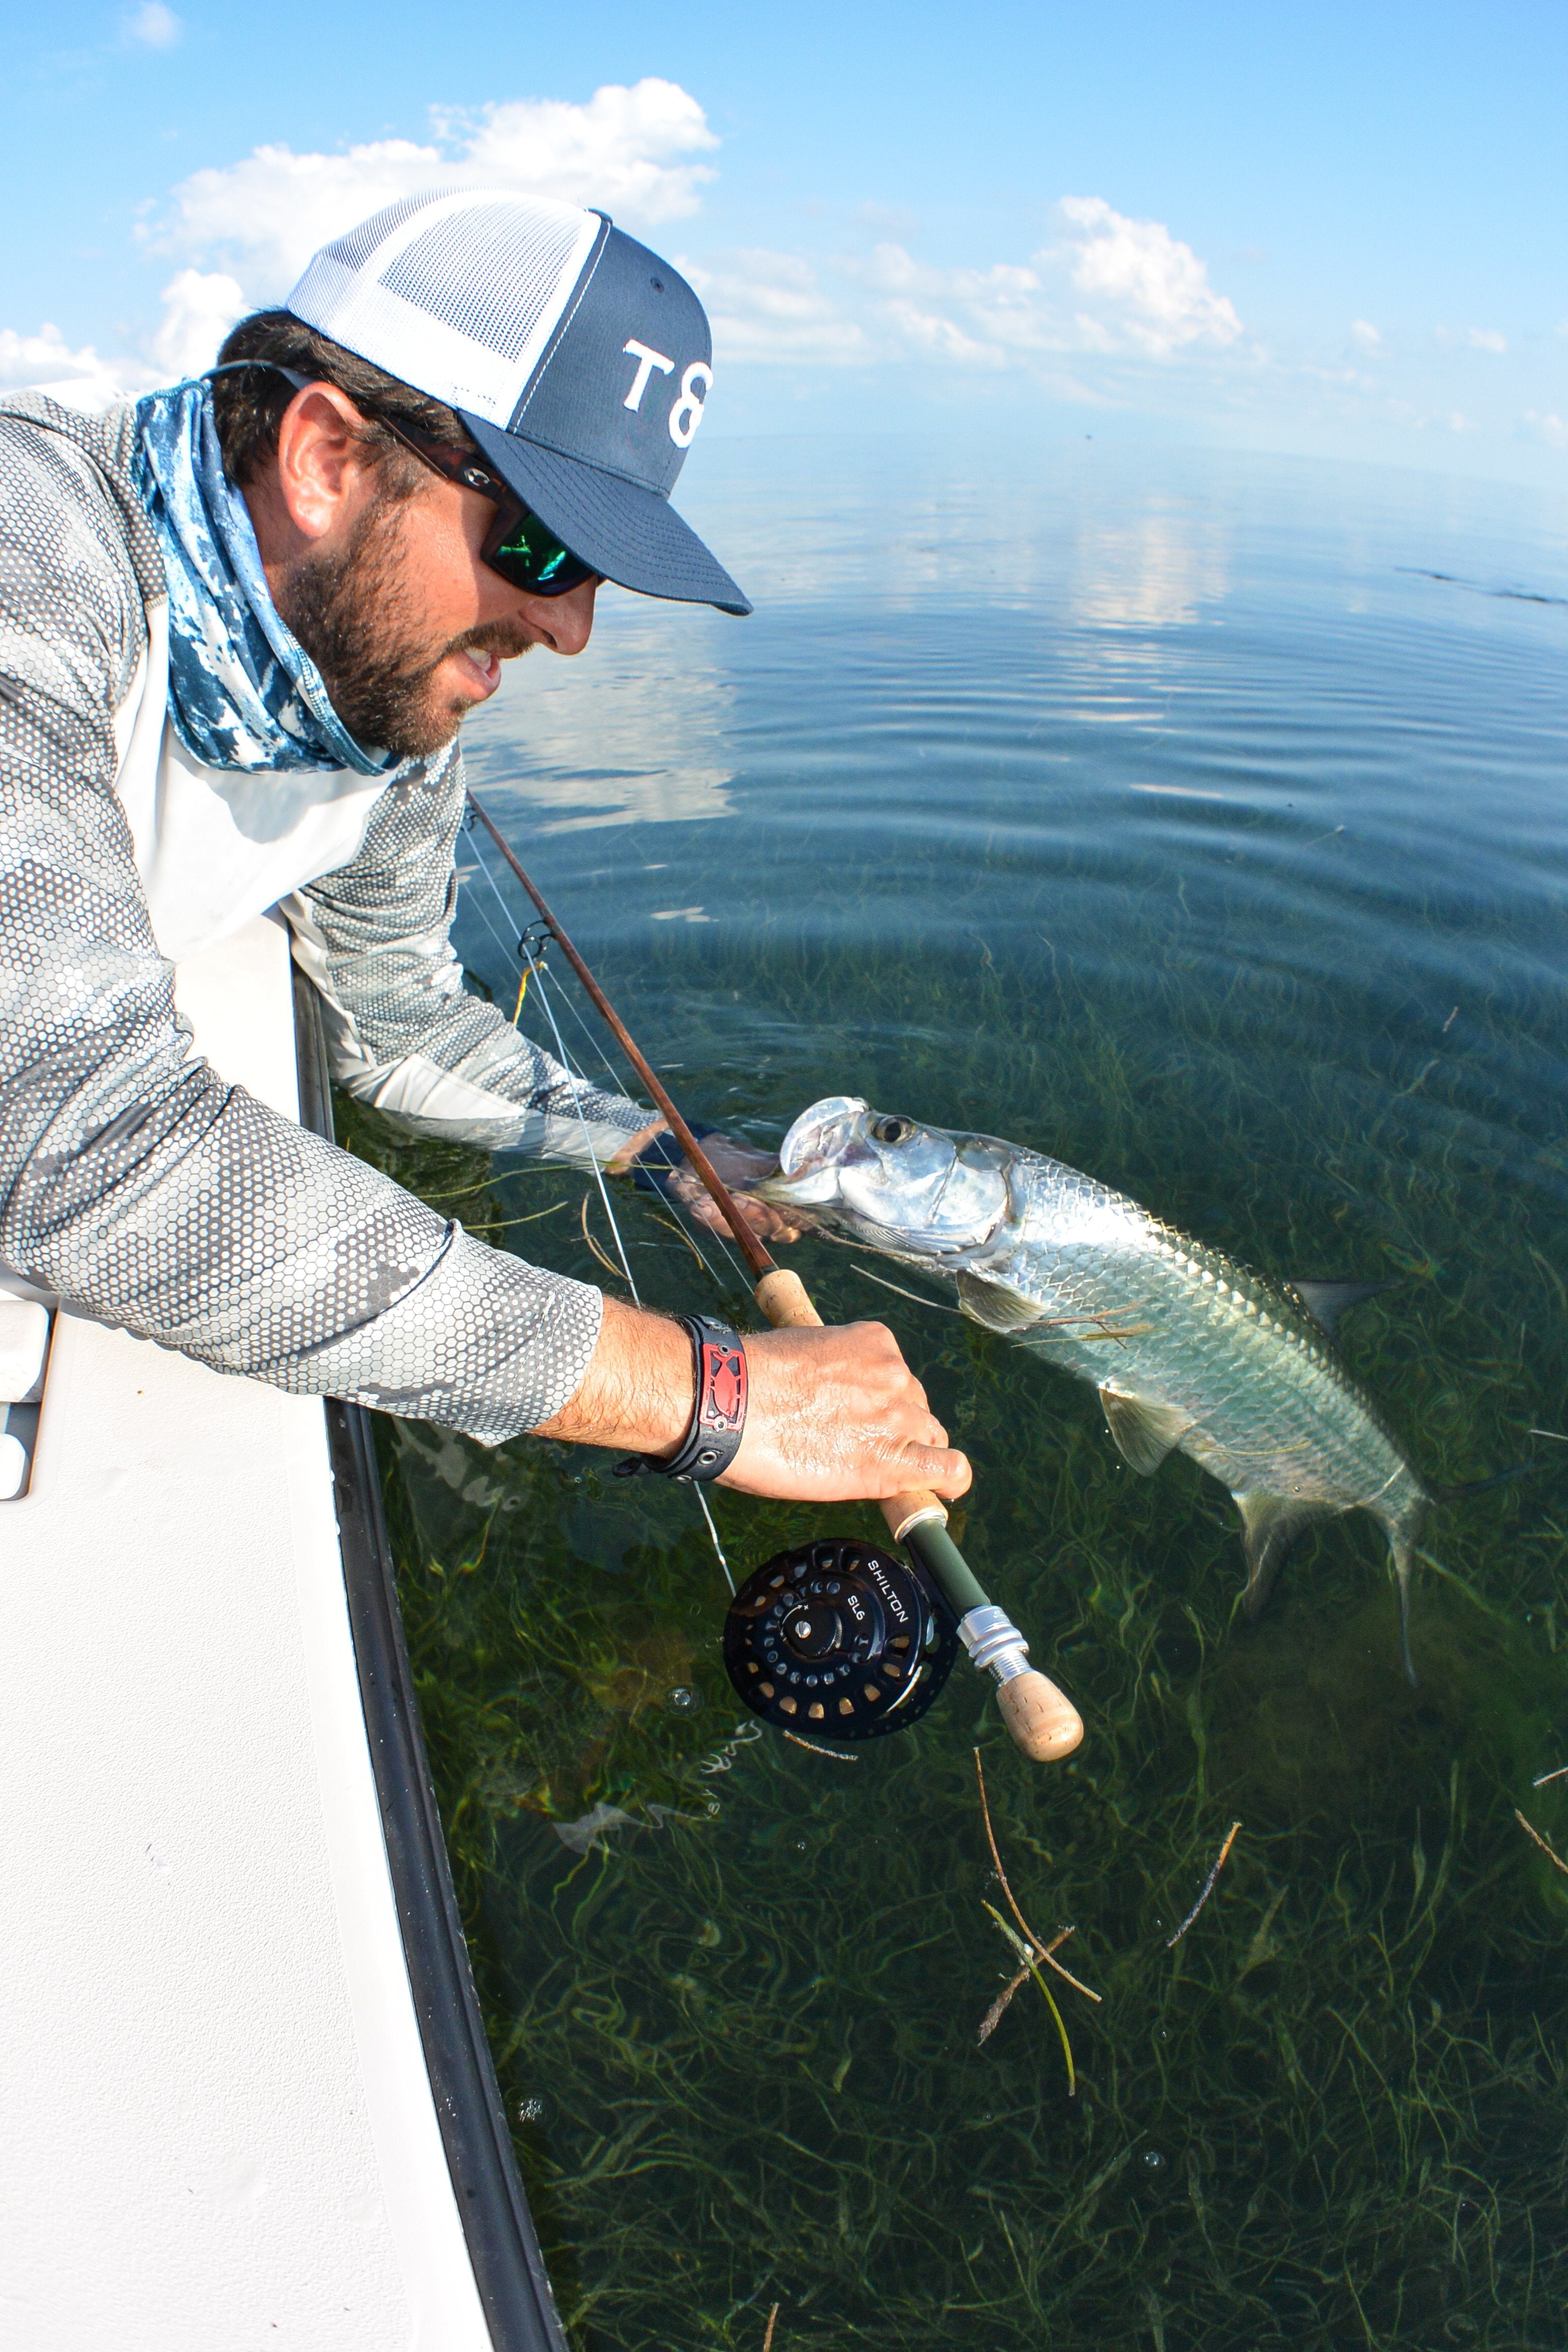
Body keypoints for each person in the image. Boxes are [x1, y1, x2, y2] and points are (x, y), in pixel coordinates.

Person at [0, 187, 969, 1507]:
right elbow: (74, 1135)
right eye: (542, 547)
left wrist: (656, 1147)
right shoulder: (32, 541)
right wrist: (702, 1394)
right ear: (324, 456)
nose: (570, 630)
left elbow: (398, 1027)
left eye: (600, 573)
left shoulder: (382, 717)